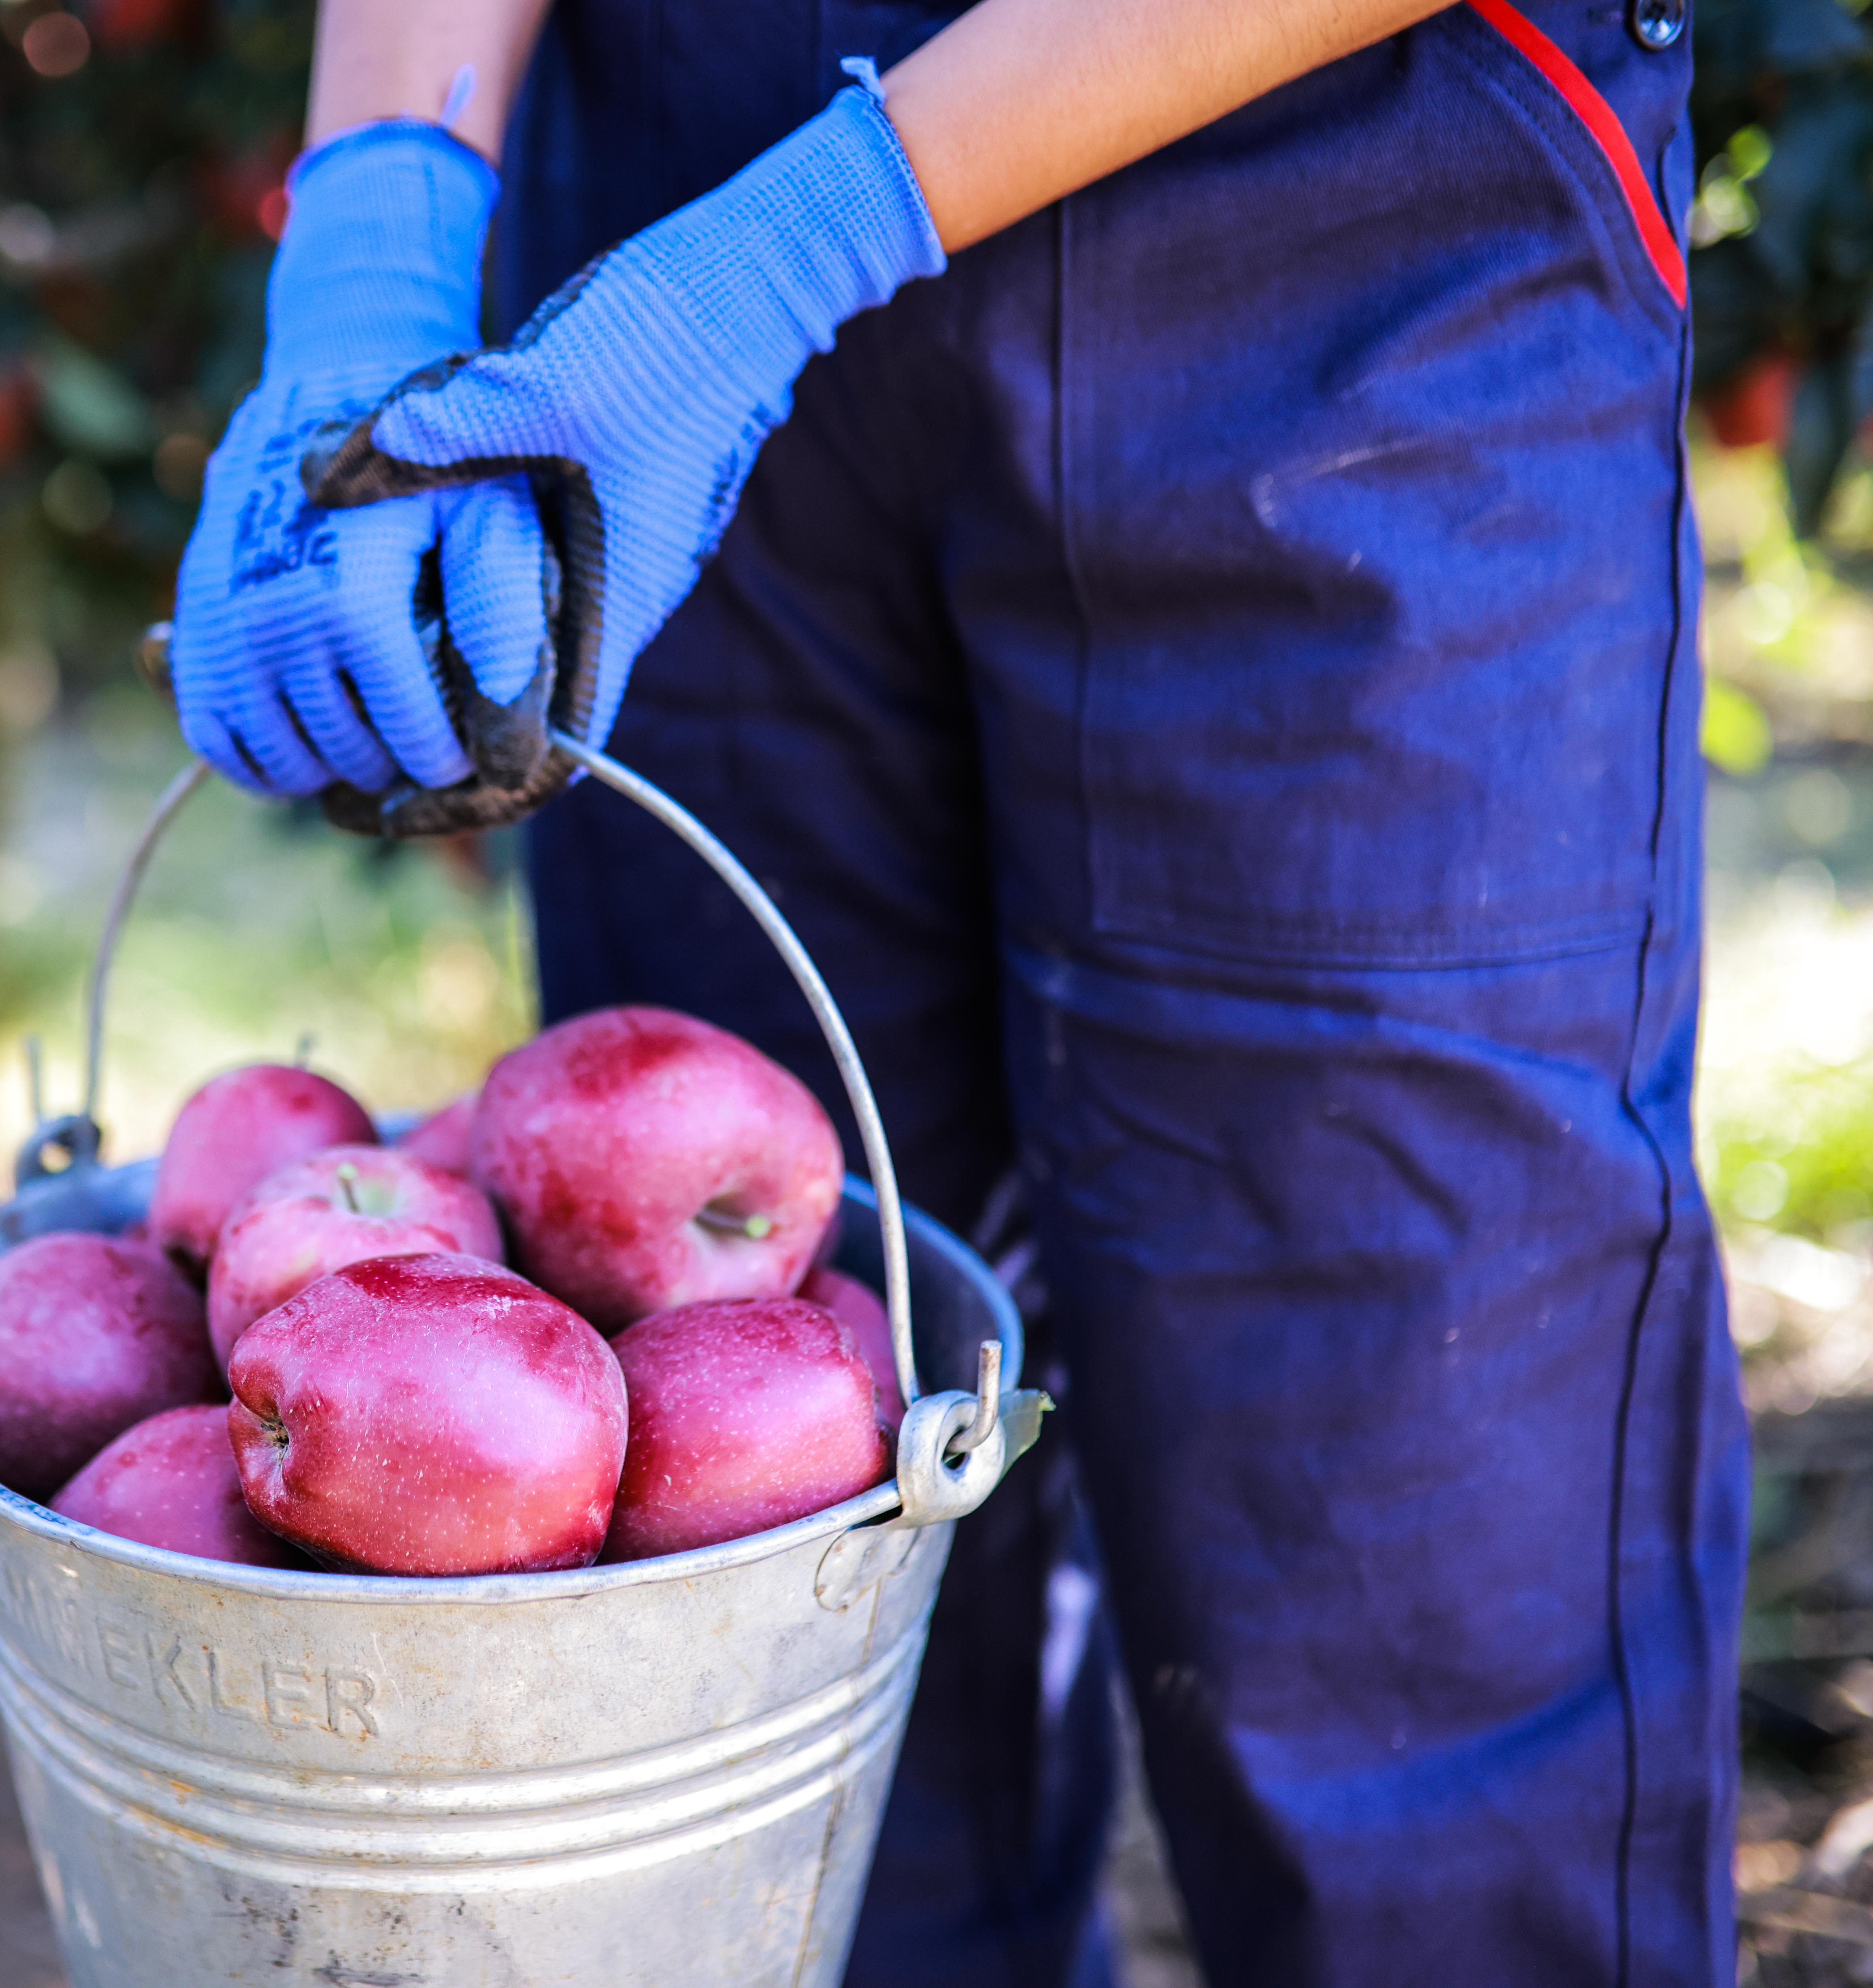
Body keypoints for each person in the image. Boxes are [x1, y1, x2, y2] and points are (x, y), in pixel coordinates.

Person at [167, 0, 1748, 1977]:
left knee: (1408, 1564)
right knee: (769, 1634)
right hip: (667, 254)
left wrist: (816, 232)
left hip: (1338, 244)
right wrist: (380, 223)